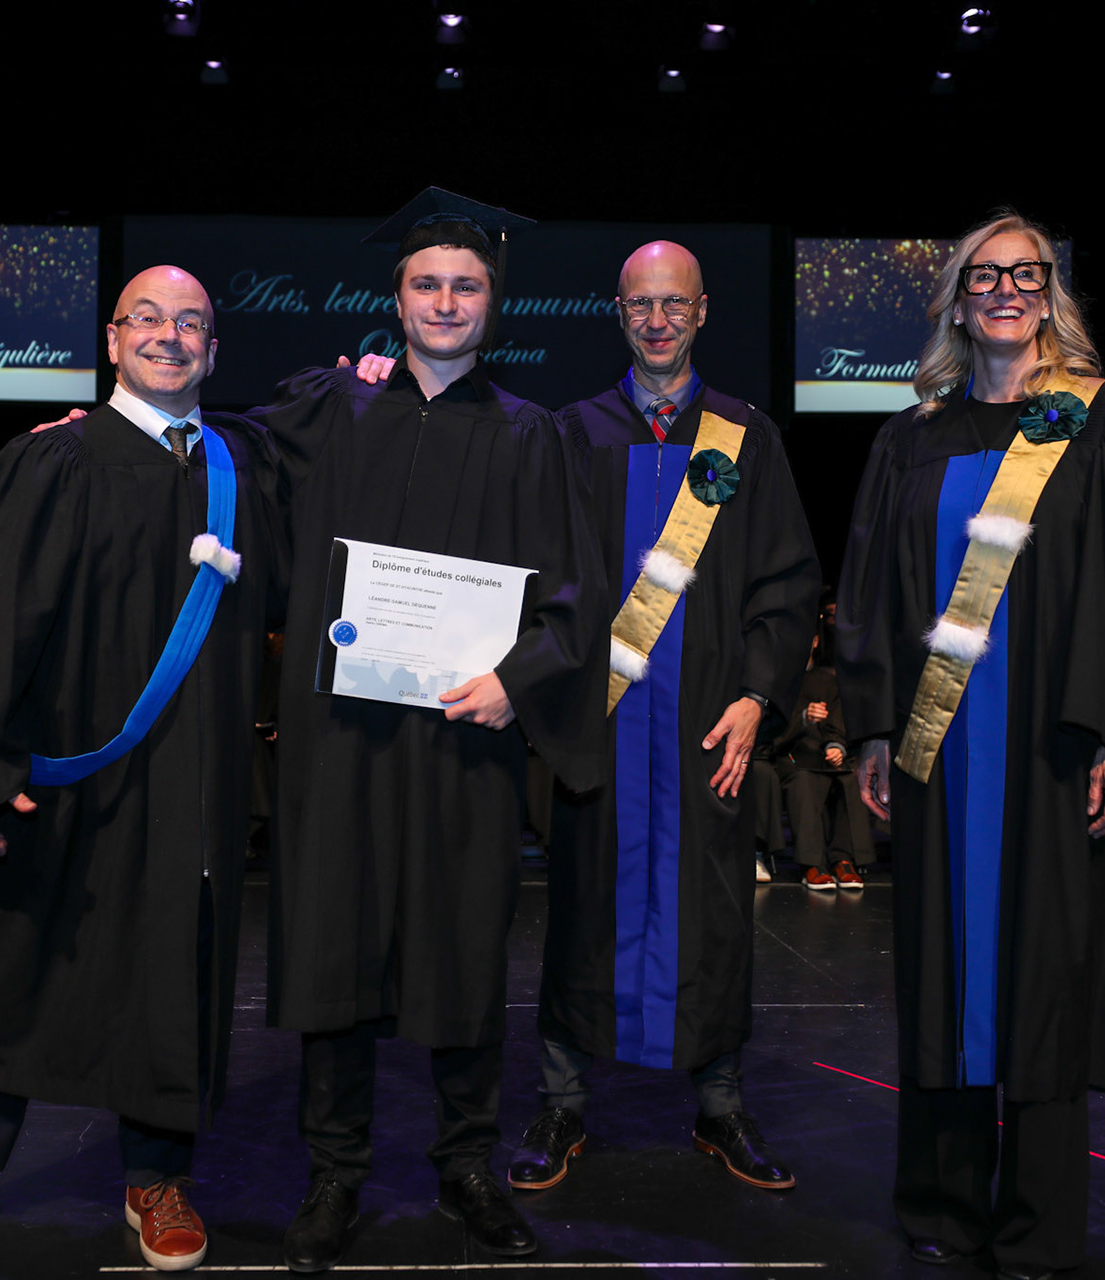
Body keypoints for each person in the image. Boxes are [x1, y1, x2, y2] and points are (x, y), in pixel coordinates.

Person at [0, 265, 284, 1271]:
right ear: (112, 341)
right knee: (19, 963)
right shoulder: (54, 458)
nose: (169, 336)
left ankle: (156, 1173)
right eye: (146, 318)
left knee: (172, 969)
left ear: (213, 349)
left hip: (190, 776)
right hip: (65, 771)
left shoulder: (241, 466)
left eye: (190, 322)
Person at [837, 212, 1105, 1278]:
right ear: (956, 299)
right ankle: (943, 1200)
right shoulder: (912, 435)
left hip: (1055, 741)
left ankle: (1039, 1218)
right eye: (983, 276)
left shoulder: (1103, 417)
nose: (1004, 290)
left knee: (1046, 973)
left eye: (1024, 274)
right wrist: (872, 724)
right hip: (941, 747)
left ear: (1050, 292)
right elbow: (869, 587)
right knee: (940, 967)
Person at [254, 190, 605, 1271]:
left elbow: (575, 597)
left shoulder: (532, 435)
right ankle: (335, 1171)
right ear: (396, 299)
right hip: (342, 737)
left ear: (493, 303)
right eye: (426, 284)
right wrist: (109, 420)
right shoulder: (332, 408)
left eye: (466, 285)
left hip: (464, 739)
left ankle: (467, 1166)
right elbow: (219, 464)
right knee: (334, 946)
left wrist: (517, 681)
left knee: (461, 949)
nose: (445, 302)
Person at [512, 240, 818, 1196]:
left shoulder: (743, 436)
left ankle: (721, 1107)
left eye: (673, 304)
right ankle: (562, 1102)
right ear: (619, 312)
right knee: (582, 908)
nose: (657, 320)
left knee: (714, 914)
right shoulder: (573, 434)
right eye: (640, 304)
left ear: (702, 311)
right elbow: (537, 575)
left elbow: (785, 582)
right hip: (597, 725)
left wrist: (756, 694)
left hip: (701, 728)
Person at [755, 620, 873, 890]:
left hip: (825, 757)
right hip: (790, 757)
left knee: (849, 777)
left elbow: (839, 721)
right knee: (804, 780)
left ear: (816, 642)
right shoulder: (776, 683)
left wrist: (835, 744)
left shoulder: (829, 680)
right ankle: (812, 863)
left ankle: (843, 859)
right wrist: (803, 720)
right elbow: (769, 736)